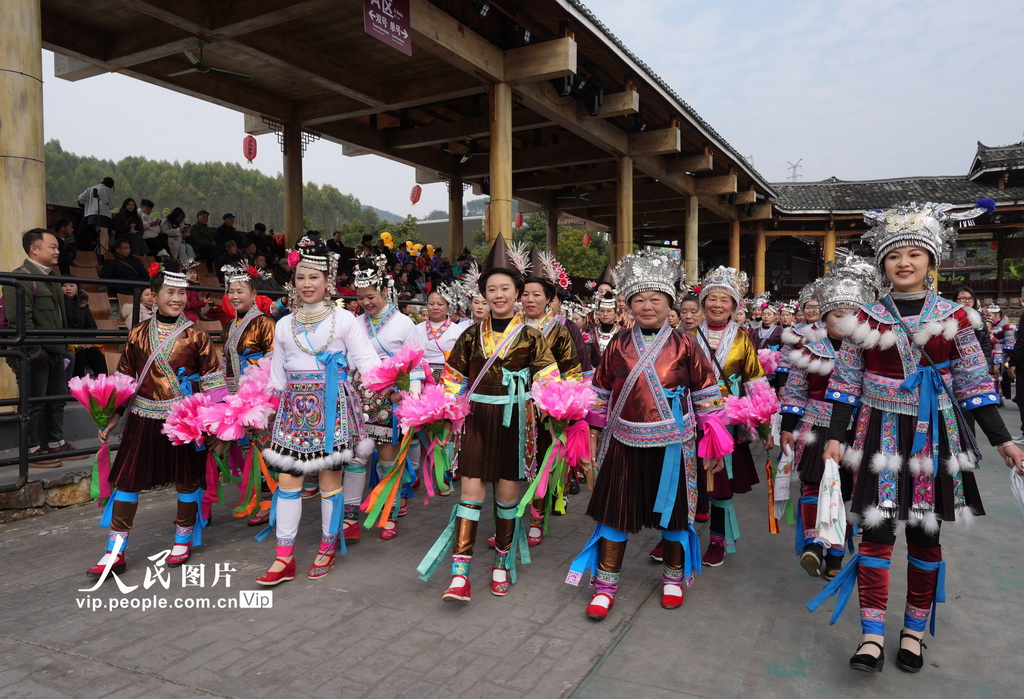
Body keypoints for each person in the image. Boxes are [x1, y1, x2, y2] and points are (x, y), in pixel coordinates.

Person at [813, 201, 1024, 674]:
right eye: (894, 255)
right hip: (879, 437)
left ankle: (912, 631)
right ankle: (871, 635)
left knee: (926, 537)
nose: (903, 263)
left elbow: (975, 386)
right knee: (876, 533)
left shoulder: (956, 318)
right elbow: (845, 384)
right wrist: (834, 437)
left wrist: (1003, 441)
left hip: (935, 439)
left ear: (931, 261)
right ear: (883, 263)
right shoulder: (863, 318)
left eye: (914, 253)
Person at [568, 250, 730, 620]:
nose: (647, 306)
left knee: (675, 514)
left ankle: (673, 578)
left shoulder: (687, 344)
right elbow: (600, 393)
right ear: (628, 306)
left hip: (674, 444)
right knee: (614, 513)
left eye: (655, 299)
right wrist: (589, 436)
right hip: (625, 441)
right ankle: (605, 584)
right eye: (638, 300)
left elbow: (706, 395)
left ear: (669, 304)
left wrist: (714, 441)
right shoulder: (618, 343)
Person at [417, 235, 560, 603]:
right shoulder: (469, 335)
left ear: (517, 294)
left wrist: (559, 413)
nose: (499, 295)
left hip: (517, 421)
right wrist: (443, 413)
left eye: (505, 289)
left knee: (507, 499)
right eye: (491, 289)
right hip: (478, 419)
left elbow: (550, 381)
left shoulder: (532, 336)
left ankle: (501, 562)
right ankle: (460, 574)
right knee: (470, 495)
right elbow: (452, 379)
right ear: (482, 294)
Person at [87, 261, 227, 578]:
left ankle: (182, 540)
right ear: (153, 295)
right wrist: (112, 417)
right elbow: (124, 379)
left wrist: (216, 421)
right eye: (170, 292)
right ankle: (115, 550)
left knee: (187, 479)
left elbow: (213, 381)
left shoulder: (197, 335)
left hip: (185, 420)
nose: (176, 298)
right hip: (143, 417)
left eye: (181, 292)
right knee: (126, 480)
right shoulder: (137, 334)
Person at [256, 236, 382, 585]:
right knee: (287, 482)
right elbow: (277, 377)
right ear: (292, 281)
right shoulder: (283, 324)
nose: (307, 284)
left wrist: (398, 389)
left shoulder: (345, 320)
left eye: (314, 277)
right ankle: (284, 558)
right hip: (293, 410)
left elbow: (369, 366)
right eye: (300, 277)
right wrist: (258, 410)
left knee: (329, 482)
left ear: (328, 282)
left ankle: (327, 547)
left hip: (333, 408)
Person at [779, 256, 883, 581]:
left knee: (846, 494)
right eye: (838, 315)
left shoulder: (874, 353)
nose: (845, 321)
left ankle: (837, 555)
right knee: (813, 486)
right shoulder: (810, 353)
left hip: (857, 432)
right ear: (824, 319)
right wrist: (786, 427)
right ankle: (813, 544)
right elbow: (794, 393)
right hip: (817, 431)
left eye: (853, 315)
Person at [691, 266, 773, 567]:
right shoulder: (685, 336)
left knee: (721, 486)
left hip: (727, 421)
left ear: (735, 306)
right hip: (691, 419)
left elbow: (756, 384)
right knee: (686, 481)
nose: (717, 305)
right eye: (712, 298)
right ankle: (674, 537)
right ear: (703, 303)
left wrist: (764, 430)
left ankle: (718, 540)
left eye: (725, 300)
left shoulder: (742, 339)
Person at [350, 253, 423, 540]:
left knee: (387, 458)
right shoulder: (355, 323)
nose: (366, 303)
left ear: (383, 291)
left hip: (391, 395)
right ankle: (350, 515)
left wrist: (412, 402)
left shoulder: (404, 323)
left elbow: (415, 366)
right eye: (361, 298)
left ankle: (389, 511)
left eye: (371, 296)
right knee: (355, 458)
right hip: (359, 394)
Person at [518, 246, 585, 546]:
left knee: (541, 465)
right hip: (511, 405)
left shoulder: (558, 333)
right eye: (526, 295)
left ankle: (536, 517)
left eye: (537, 295)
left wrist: (563, 410)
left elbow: (573, 373)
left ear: (549, 300)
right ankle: (505, 519)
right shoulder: (511, 328)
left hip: (544, 410)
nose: (530, 300)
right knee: (509, 465)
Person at [3, 229, 76, 467]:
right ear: (34, 248)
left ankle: (55, 443)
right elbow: (18, 319)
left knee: (56, 399)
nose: (58, 251)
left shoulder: (51, 277)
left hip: (55, 349)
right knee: (34, 401)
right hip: (33, 353)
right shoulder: (21, 277)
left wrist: (64, 347)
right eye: (53, 247)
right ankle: (32, 450)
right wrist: (35, 352)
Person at [220, 264, 277, 525]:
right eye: (231, 291)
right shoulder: (232, 324)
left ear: (254, 294)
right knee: (249, 449)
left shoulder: (264, 322)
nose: (234, 296)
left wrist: (260, 390)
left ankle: (269, 500)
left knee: (263, 446)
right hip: (237, 392)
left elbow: (274, 359)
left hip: (258, 393)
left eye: (240, 291)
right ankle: (257, 496)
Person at [62, 282, 107, 378]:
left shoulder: (83, 304)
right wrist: (74, 341)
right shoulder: (59, 304)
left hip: (83, 341)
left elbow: (92, 326)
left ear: (77, 288)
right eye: (64, 286)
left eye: (71, 285)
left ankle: (103, 385)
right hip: (68, 342)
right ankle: (77, 389)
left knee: (96, 354)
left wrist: (88, 340)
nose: (68, 288)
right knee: (78, 355)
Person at [78, 177, 116, 253]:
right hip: (103, 215)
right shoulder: (108, 190)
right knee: (104, 238)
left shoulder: (89, 189)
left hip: (90, 216)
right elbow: (112, 205)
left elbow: (80, 199)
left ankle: (101, 255)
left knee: (100, 237)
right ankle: (102, 256)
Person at [589, 292, 621, 366]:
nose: (605, 314)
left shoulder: (622, 333)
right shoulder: (592, 331)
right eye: (602, 311)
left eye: (609, 311)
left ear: (616, 313)